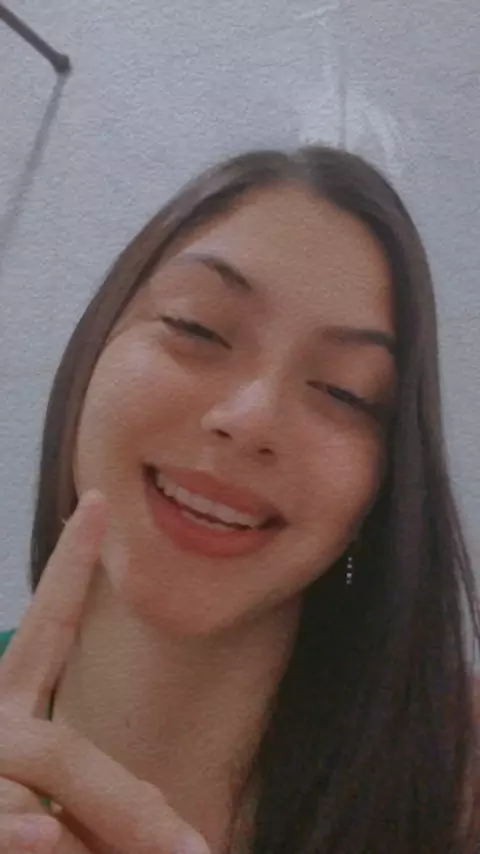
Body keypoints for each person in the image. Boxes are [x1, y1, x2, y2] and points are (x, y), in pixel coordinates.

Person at [0, 145, 478, 854]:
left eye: (344, 391)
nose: (251, 419)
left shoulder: (458, 779)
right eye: (196, 327)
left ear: (384, 491)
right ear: (94, 351)